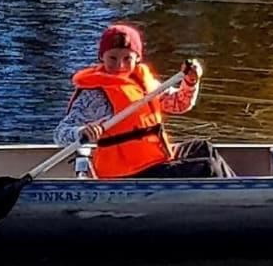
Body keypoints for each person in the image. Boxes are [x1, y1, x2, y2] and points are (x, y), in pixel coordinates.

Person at [53, 23, 235, 179]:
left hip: (155, 159)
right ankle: (242, 201)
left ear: (138, 58)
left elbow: (179, 104)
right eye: (112, 58)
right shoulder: (96, 95)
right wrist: (82, 132)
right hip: (128, 173)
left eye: (127, 58)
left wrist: (190, 81)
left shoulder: (142, 83)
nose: (120, 65)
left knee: (205, 149)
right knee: (208, 167)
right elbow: (60, 133)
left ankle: (241, 193)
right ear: (102, 57)